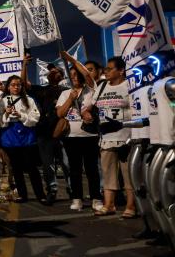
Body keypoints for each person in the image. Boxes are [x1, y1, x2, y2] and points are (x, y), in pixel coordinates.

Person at [85, 56, 135, 217]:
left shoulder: (129, 86)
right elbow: (89, 106)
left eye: (109, 68)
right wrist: (86, 113)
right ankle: (109, 205)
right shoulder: (102, 86)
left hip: (127, 137)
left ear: (121, 71)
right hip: (106, 137)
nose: (106, 71)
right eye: (105, 69)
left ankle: (131, 206)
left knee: (129, 174)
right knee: (108, 173)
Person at [21, 54, 71, 204]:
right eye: (50, 71)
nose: (51, 72)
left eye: (55, 71)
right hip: (44, 132)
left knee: (67, 163)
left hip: (62, 133)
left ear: (62, 76)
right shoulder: (41, 90)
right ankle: (52, 190)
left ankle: (73, 190)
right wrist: (24, 65)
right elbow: (24, 84)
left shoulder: (67, 91)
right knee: (48, 165)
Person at [56, 67, 103, 212]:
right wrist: (71, 98)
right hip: (71, 137)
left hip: (90, 136)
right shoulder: (65, 93)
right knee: (74, 169)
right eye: (71, 75)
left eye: (76, 74)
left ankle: (96, 198)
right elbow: (60, 113)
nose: (74, 77)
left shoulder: (91, 91)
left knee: (92, 169)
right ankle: (77, 199)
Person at [0, 76, 45, 203]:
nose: (16, 87)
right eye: (12, 85)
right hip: (10, 138)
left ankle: (41, 195)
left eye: (18, 85)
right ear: (8, 86)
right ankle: (22, 195)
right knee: (16, 168)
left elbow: (35, 118)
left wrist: (20, 115)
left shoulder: (29, 100)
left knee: (32, 167)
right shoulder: (2, 101)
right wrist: (6, 113)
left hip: (27, 137)